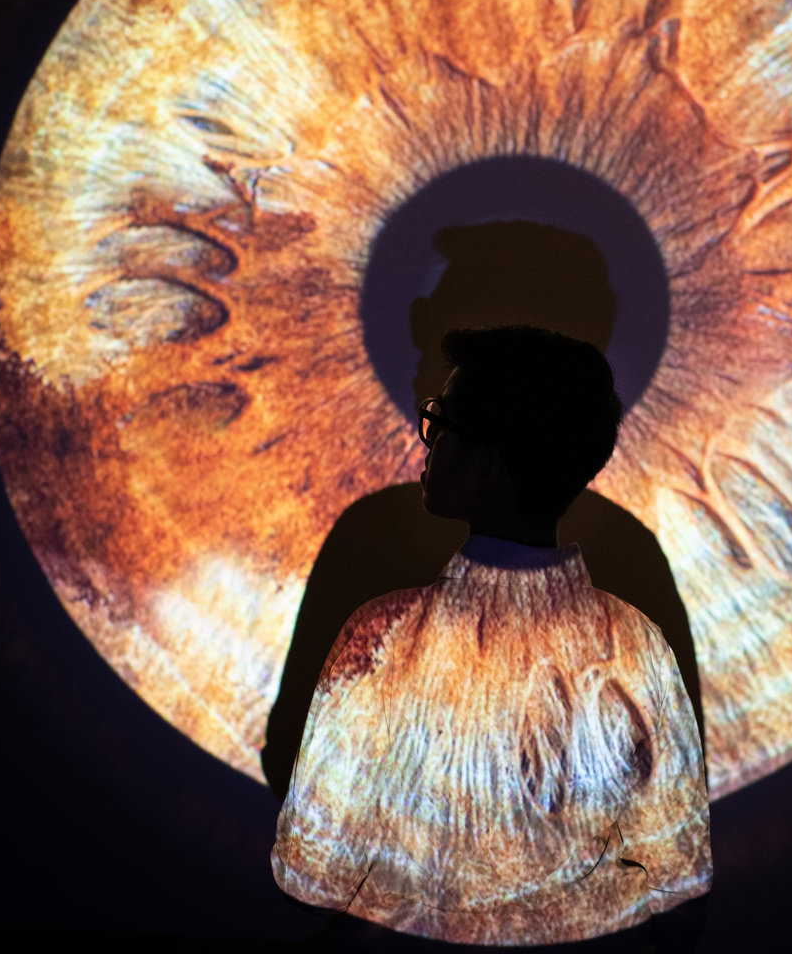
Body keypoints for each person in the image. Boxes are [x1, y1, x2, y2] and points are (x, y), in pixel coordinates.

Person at [271, 325, 712, 948]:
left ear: (485, 467)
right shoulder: (640, 647)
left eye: (441, 424)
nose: (428, 441)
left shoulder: (382, 635)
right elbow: (678, 881)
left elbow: (312, 872)